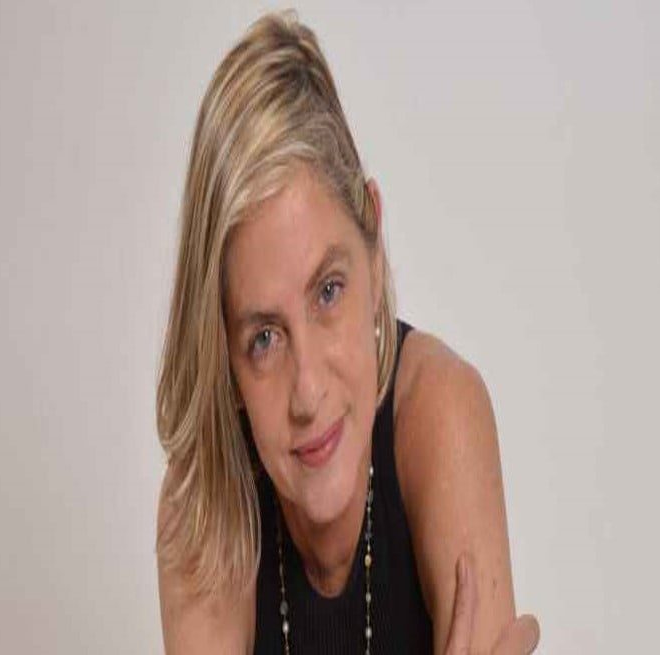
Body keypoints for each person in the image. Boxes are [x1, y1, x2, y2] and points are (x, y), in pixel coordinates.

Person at [155, 9, 539, 654]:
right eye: (264, 338)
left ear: (374, 244)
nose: (308, 392)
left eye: (328, 291)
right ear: (222, 353)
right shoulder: (205, 498)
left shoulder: (439, 413)